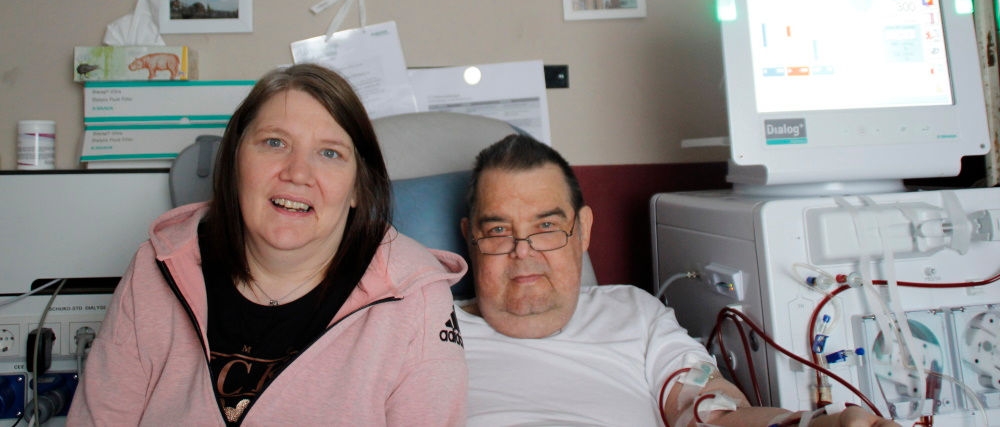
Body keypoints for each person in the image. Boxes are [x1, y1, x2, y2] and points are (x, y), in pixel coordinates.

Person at [68, 63, 468, 426]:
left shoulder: (416, 297)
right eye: (275, 143)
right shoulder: (156, 266)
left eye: (329, 153)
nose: (297, 173)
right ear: (234, 161)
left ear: (357, 189)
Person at [456, 133, 899, 427]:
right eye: (498, 230)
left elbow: (709, 409)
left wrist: (813, 425)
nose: (523, 250)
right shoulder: (429, 325)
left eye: (547, 226)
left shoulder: (634, 313)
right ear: (469, 238)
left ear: (584, 230)